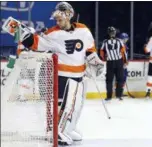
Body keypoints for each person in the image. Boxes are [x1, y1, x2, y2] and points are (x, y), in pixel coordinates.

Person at [17, 2, 104, 145]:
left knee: (78, 106)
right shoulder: (53, 33)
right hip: (62, 76)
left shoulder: (84, 30)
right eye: (56, 19)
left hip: (80, 76)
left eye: (60, 19)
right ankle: (57, 132)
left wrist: (96, 63)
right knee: (65, 106)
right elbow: (36, 43)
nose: (58, 22)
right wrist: (22, 34)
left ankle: (68, 129)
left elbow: (89, 50)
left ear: (69, 15)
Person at [100, 26, 127, 101]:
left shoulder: (105, 42)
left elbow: (101, 52)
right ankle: (119, 95)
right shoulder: (119, 41)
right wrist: (125, 61)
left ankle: (109, 96)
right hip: (118, 62)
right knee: (120, 79)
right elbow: (123, 52)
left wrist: (105, 58)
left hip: (110, 63)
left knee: (109, 80)